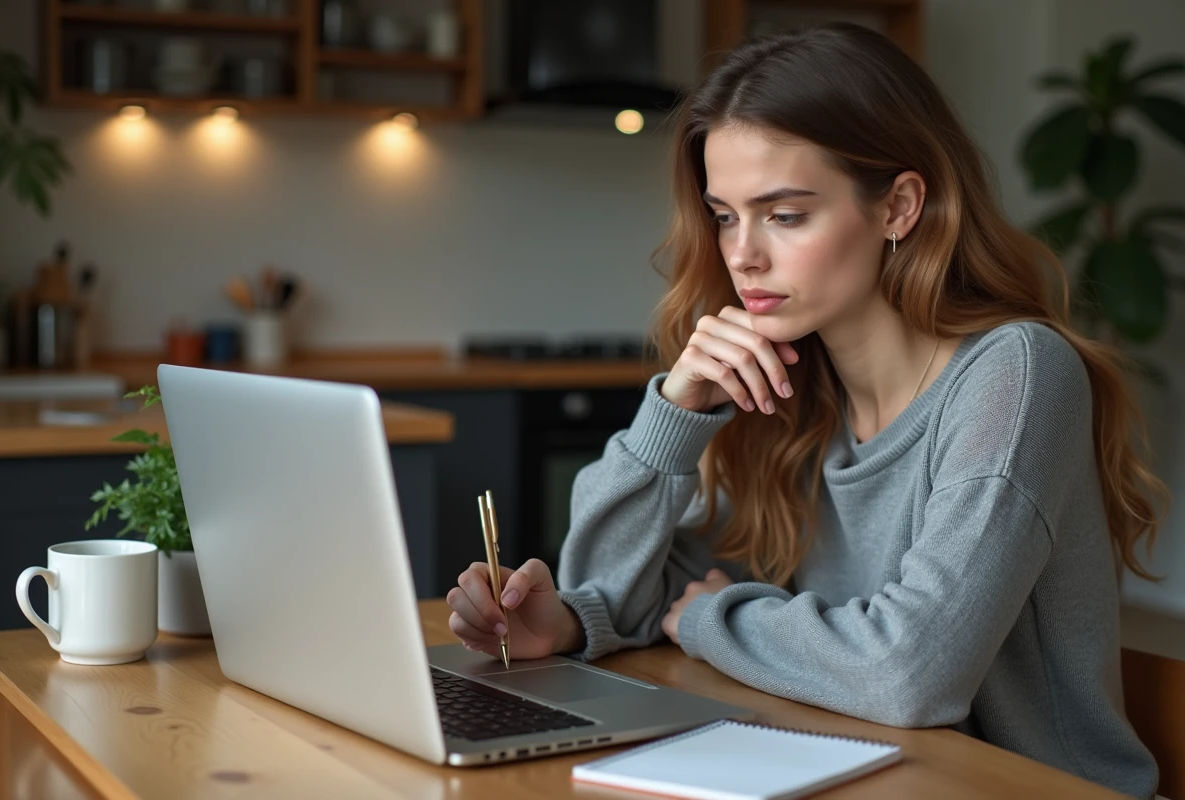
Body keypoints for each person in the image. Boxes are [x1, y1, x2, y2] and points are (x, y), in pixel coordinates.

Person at [445, 22, 1166, 798]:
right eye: (724, 214)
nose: (742, 254)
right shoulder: (794, 388)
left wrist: (715, 620)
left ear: (899, 206)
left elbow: (907, 672)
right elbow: (627, 589)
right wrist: (573, 614)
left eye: (785, 215)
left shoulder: (1016, 374)